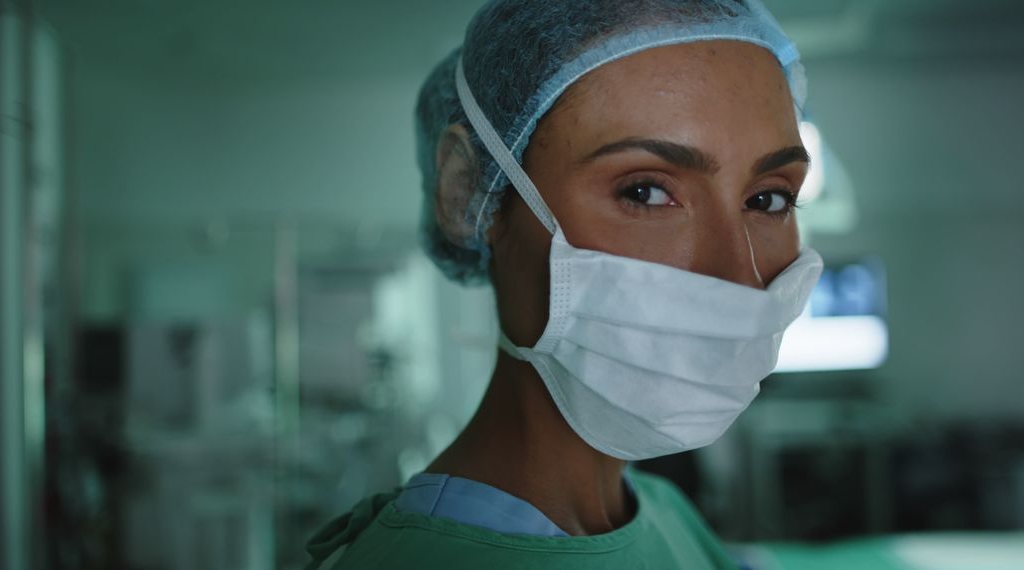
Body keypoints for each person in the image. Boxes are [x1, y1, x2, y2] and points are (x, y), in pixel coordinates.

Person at [306, 0, 823, 568]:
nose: (740, 278)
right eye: (645, 191)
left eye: (768, 198)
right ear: (470, 195)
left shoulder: (663, 510)